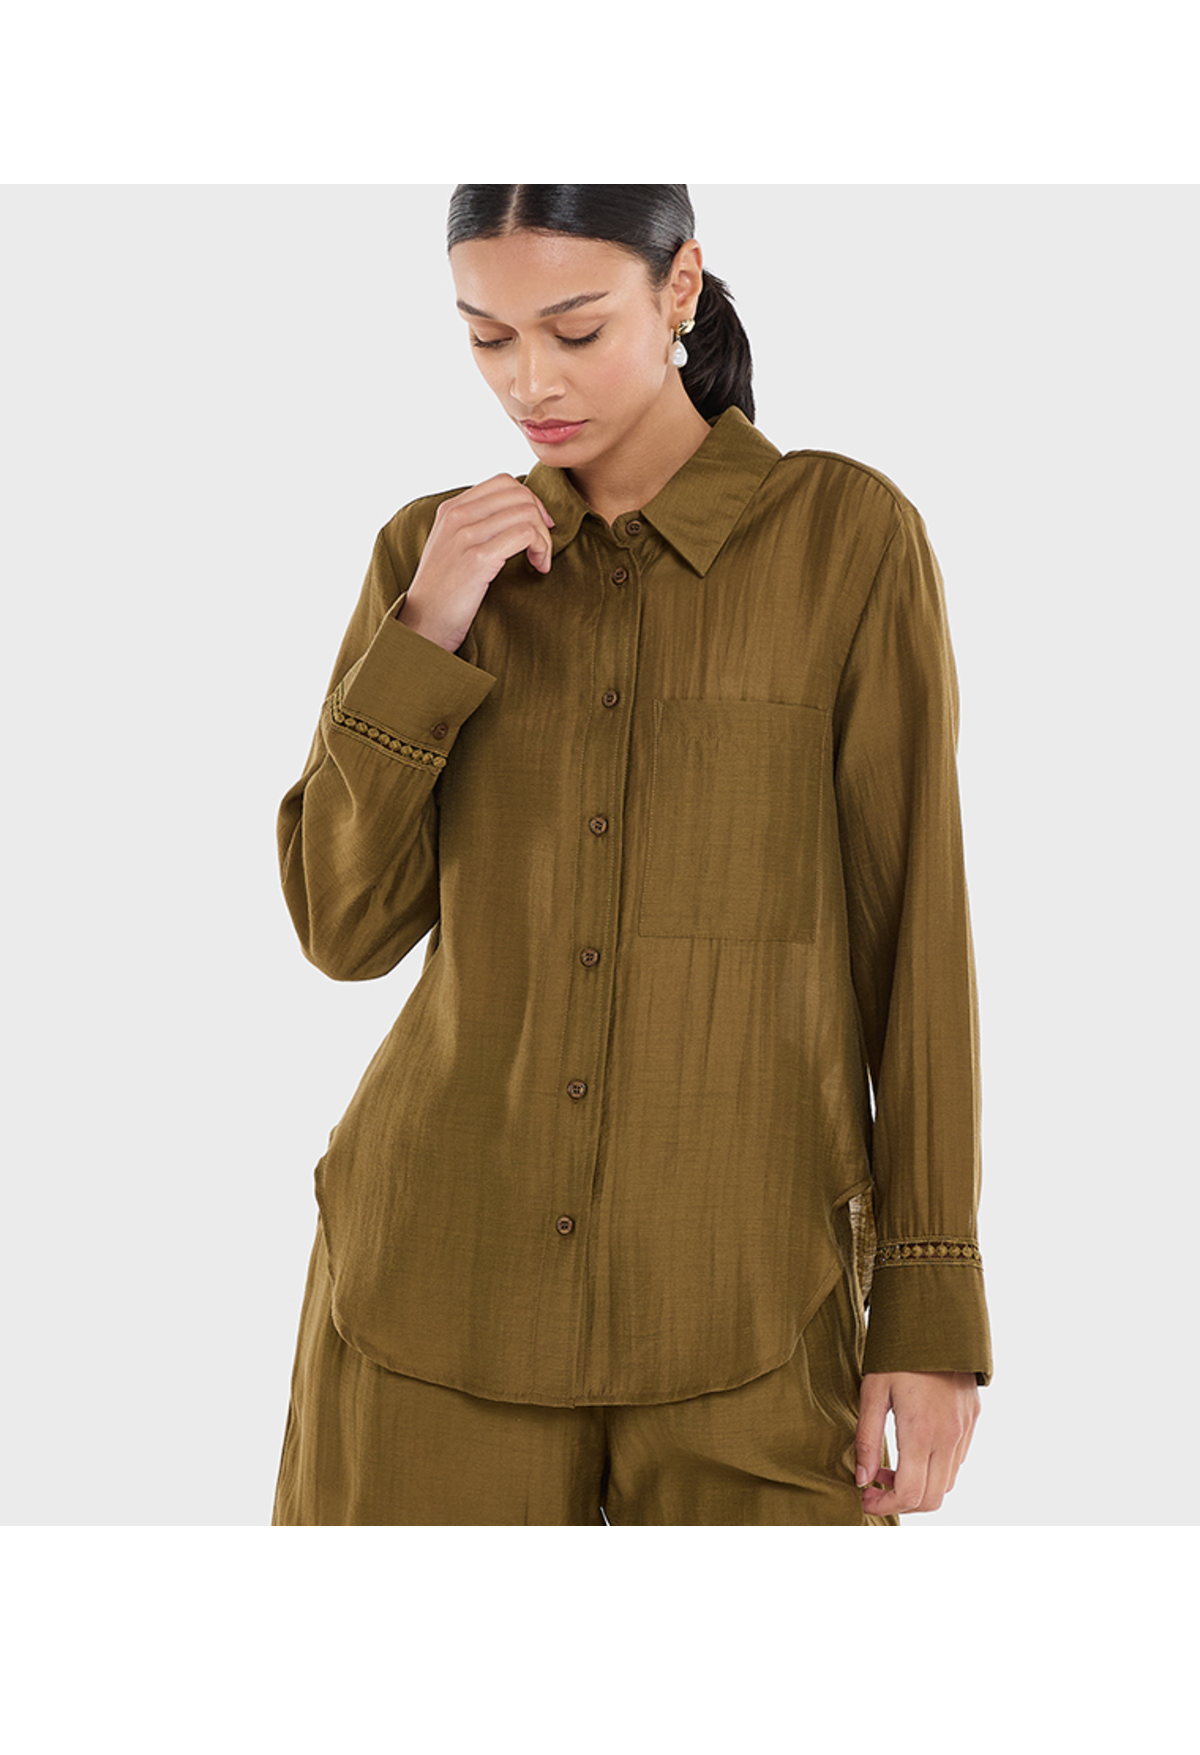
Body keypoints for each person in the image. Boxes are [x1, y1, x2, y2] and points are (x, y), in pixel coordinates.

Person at [269, 184, 992, 1527]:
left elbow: (916, 943)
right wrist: (426, 632)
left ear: (680, 288)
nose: (529, 382)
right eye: (487, 338)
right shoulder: (433, 558)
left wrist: (930, 1300)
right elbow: (340, 926)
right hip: (433, 1294)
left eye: (575, 329)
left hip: (748, 1303)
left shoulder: (845, 541)